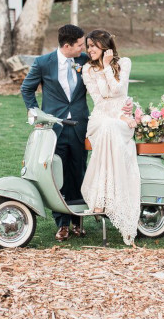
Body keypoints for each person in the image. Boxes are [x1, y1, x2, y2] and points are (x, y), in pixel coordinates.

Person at [20, 24, 89, 242]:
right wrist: (36, 112)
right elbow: (26, 89)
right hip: (54, 129)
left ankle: (78, 220)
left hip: (79, 126)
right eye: (79, 45)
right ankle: (62, 224)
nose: (82, 48)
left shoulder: (84, 60)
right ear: (67, 45)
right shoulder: (43, 63)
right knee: (55, 175)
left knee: (78, 172)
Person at [80, 30, 141, 246]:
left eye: (94, 46)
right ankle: (99, 199)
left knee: (112, 128)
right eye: (88, 47)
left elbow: (118, 89)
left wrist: (107, 67)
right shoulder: (87, 69)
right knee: (106, 127)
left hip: (121, 119)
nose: (90, 50)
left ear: (106, 46)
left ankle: (106, 201)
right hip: (101, 117)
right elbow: (100, 98)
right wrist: (118, 111)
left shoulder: (124, 62)